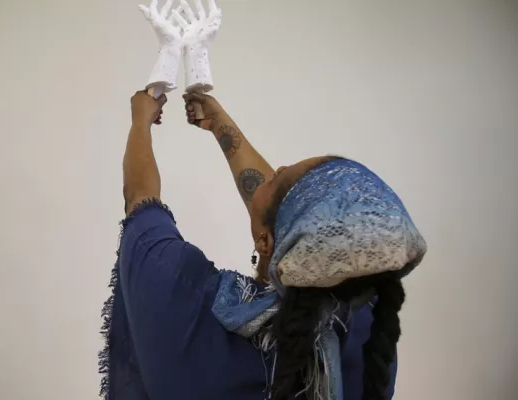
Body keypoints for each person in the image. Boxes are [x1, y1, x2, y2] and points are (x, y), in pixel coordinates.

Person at [99, 90, 427, 400]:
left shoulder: (188, 296)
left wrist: (140, 120)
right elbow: (289, 221)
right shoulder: (368, 332)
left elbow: (140, 201)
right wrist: (219, 124)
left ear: (267, 242)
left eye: (277, 178)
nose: (277, 168)